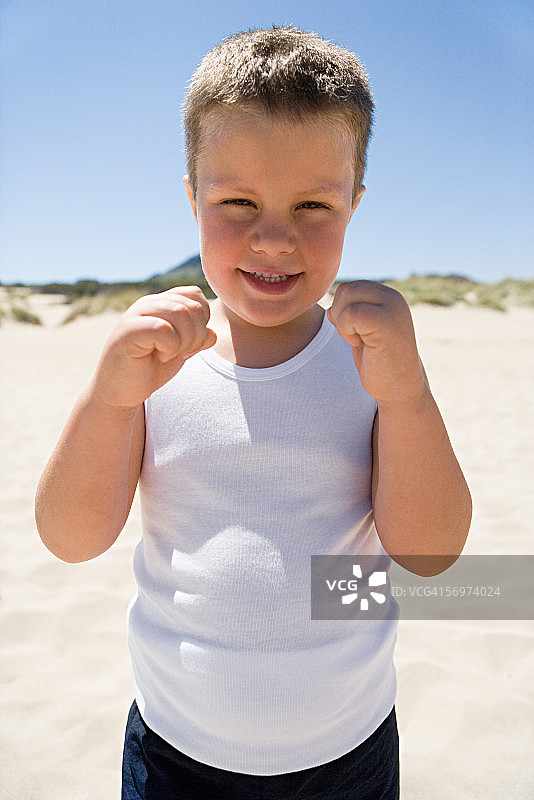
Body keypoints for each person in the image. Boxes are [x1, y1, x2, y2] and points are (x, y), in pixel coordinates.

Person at [35, 26, 472, 800]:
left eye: (313, 204)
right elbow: (73, 539)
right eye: (238, 201)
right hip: (176, 752)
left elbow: (428, 555)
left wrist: (408, 398)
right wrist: (107, 401)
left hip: (349, 752)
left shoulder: (372, 362)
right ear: (192, 196)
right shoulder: (155, 362)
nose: (275, 237)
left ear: (354, 204)